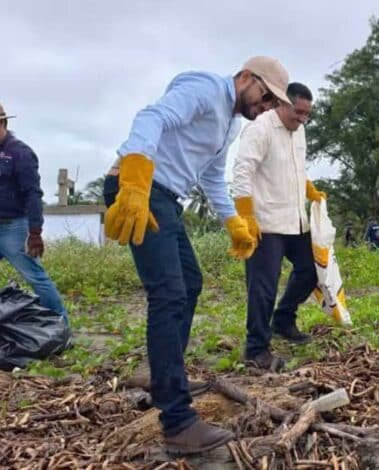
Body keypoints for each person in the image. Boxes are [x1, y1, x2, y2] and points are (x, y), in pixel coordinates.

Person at [103, 57, 290, 455]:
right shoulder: (205, 88)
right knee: (169, 293)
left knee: (189, 284)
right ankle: (177, 422)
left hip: (164, 197)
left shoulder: (229, 122)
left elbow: (210, 177)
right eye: (266, 97)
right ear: (246, 77)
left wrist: (234, 222)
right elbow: (151, 118)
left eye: (273, 104)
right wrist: (134, 183)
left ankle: (164, 375)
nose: (266, 108)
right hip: (140, 188)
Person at [232, 82, 325, 371]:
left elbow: (296, 168)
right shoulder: (259, 128)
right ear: (282, 103)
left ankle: (283, 319)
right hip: (266, 223)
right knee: (263, 287)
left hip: (295, 219)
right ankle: (256, 348)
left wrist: (309, 189)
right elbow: (242, 171)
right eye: (298, 112)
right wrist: (244, 216)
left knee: (312, 269)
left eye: (307, 114)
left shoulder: (300, 131)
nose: (302, 119)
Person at [0, 103, 68, 322]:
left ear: (2, 123)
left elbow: (32, 194)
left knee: (35, 277)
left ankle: (61, 326)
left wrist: (35, 232)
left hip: (13, 228)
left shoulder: (20, 153)